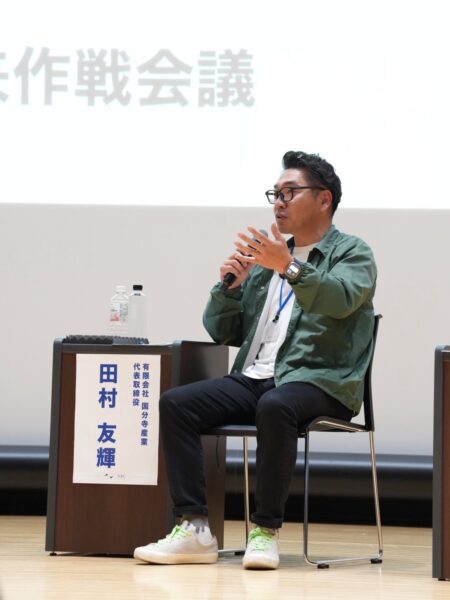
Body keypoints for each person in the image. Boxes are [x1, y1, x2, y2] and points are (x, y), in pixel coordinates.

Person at [134, 150, 377, 569]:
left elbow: (339, 299)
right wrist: (228, 289)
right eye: (275, 194)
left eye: (289, 192)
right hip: (256, 377)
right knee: (177, 404)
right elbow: (224, 332)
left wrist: (289, 268)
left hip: (321, 382)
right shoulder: (267, 261)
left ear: (324, 199)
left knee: (276, 404)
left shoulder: (353, 253)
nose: (278, 202)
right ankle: (194, 529)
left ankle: (264, 531)